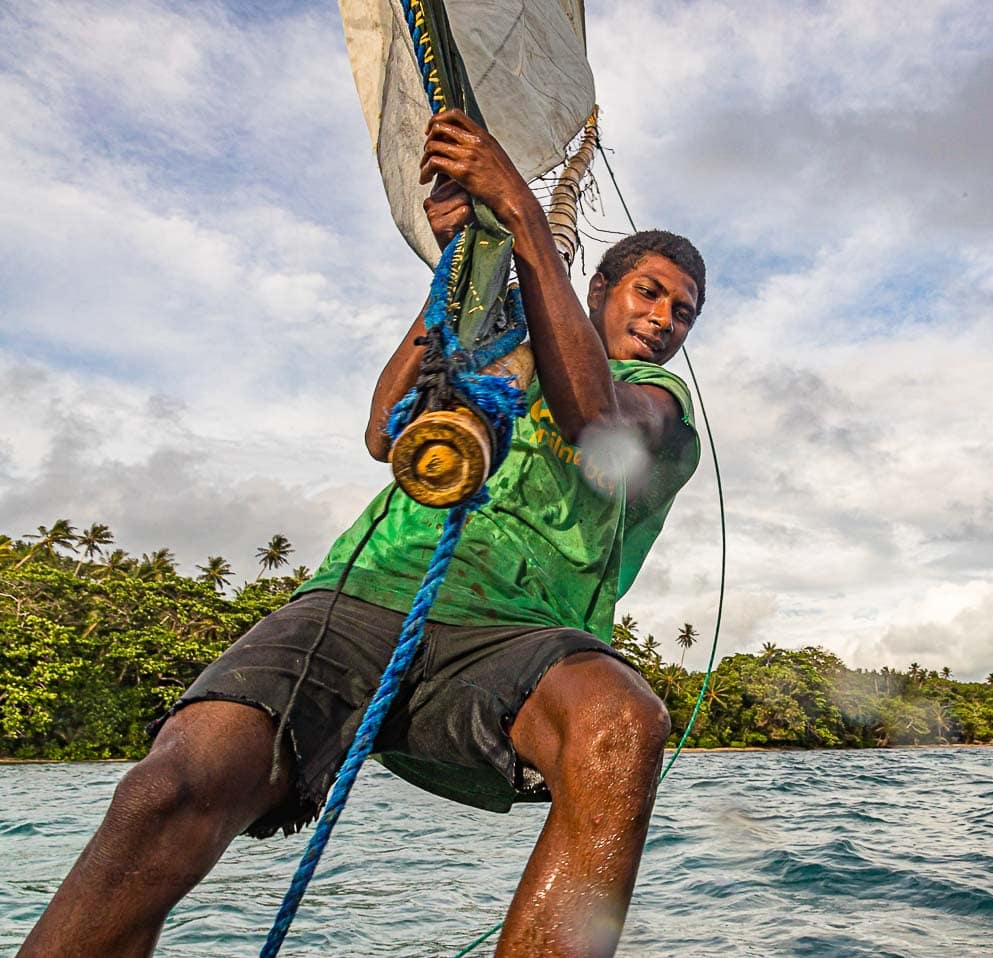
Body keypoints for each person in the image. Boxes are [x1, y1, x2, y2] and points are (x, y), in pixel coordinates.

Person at [19, 109, 705, 958]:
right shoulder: (498, 342)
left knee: (622, 723)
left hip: (519, 634)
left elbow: (595, 414)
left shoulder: (662, 410)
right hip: (364, 594)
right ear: (600, 288)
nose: (666, 318)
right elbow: (387, 428)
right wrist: (465, 272)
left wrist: (522, 216)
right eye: (651, 291)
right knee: (165, 790)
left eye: (685, 311)